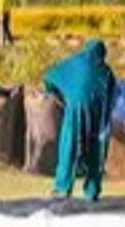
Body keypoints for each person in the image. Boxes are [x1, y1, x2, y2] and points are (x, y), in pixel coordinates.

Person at [43, 39, 116, 201]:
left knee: (69, 145)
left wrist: (58, 95)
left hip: (75, 109)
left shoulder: (72, 63)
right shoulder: (106, 70)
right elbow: (112, 92)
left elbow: (48, 78)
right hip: (99, 113)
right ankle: (92, 190)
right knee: (96, 149)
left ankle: (63, 188)